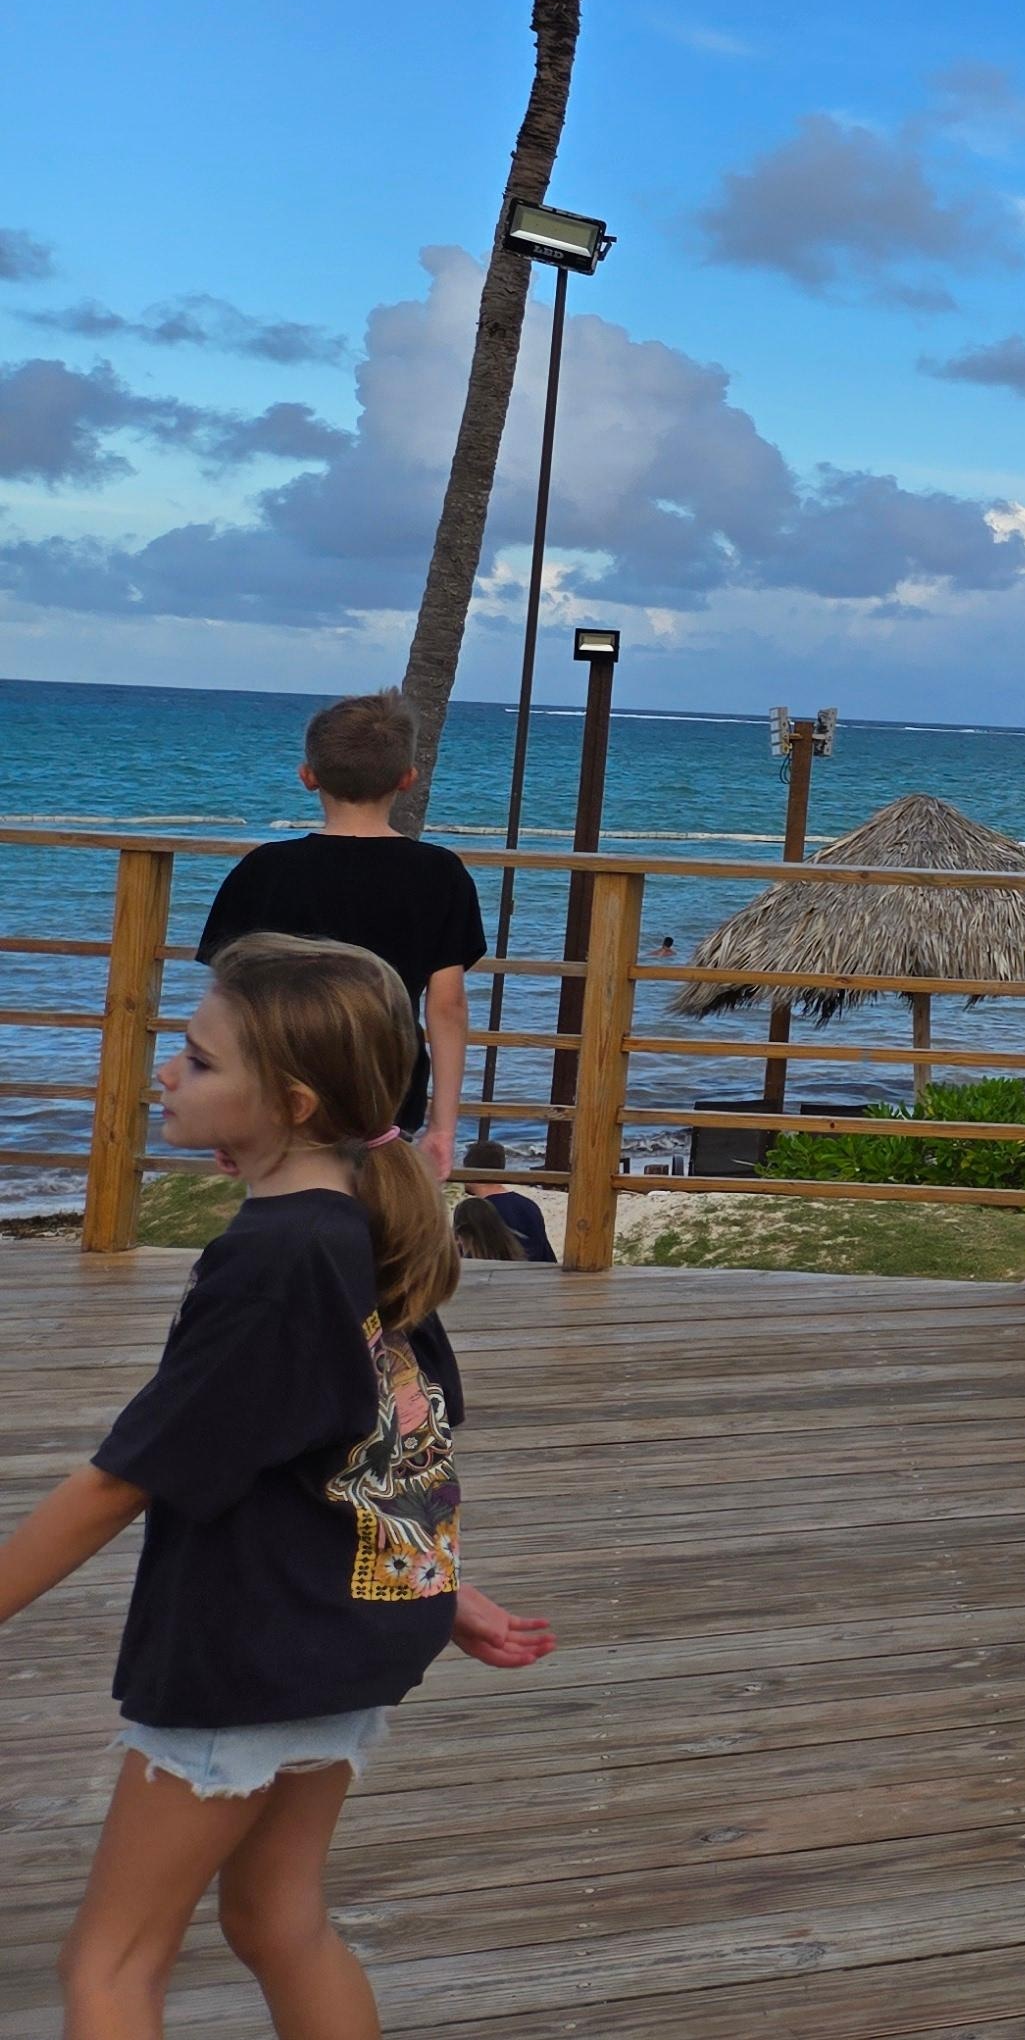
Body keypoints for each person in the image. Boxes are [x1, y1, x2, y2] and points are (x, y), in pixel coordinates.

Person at [0, 934, 554, 2035]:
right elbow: (388, 1435)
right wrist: (440, 1595)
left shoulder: (276, 1260)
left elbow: (126, 1480)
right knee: (274, 1917)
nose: (167, 1072)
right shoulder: (360, 1219)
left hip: (252, 1647)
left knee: (110, 1964)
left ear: (292, 1102)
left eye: (200, 1062)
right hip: (345, 1631)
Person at [196, 692, 489, 1179]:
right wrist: (444, 1124)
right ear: (406, 779)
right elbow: (447, 1005)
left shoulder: (264, 869)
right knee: (372, 1201)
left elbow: (230, 1003)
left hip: (280, 1078)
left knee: (284, 1203)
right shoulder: (440, 873)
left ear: (308, 777)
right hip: (389, 1078)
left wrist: (226, 1111)